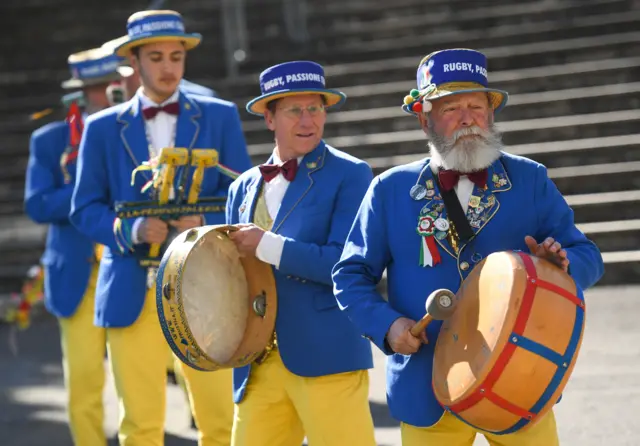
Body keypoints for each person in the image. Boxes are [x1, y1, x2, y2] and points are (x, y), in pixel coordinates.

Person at [331, 48, 605, 446]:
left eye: (476, 106)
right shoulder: (388, 190)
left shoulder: (530, 179)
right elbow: (351, 275)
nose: (467, 118)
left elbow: (588, 256)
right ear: (424, 119)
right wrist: (388, 327)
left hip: (520, 380)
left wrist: (559, 265)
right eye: (451, 108)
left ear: (491, 114)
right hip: (427, 386)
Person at [70, 10, 252, 446]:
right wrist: (130, 231)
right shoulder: (100, 128)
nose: (168, 67)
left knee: (220, 420)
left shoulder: (220, 115)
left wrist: (205, 223)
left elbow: (245, 194)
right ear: (134, 62)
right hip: (131, 286)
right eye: (156, 57)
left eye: (176, 56)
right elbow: (83, 209)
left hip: (206, 286)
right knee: (139, 425)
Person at [225, 60, 377, 446]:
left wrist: (268, 245)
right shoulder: (241, 187)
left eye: (316, 108)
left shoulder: (352, 173)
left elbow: (346, 264)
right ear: (269, 117)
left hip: (327, 353)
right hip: (257, 364)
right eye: (295, 110)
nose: (308, 119)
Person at [24, 47, 130, 446]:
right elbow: (36, 204)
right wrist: (84, 190)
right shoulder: (50, 140)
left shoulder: (132, 130)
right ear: (82, 92)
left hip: (129, 268)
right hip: (77, 275)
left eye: (114, 83)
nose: (110, 92)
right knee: (84, 382)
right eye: (100, 86)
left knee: (137, 380)